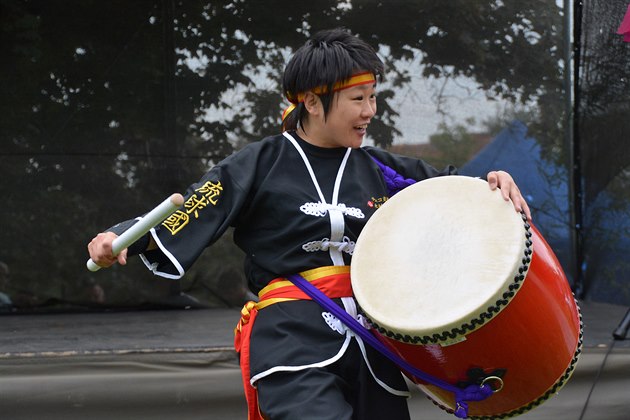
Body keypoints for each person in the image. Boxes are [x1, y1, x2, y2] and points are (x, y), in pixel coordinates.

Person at [88, 28, 531, 420]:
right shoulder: (259, 163)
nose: (370, 111)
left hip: (373, 347)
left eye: (373, 97)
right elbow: (194, 207)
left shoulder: (383, 170)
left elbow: (456, 194)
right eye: (358, 99)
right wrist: (123, 236)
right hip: (292, 340)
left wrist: (492, 183)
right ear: (312, 102)